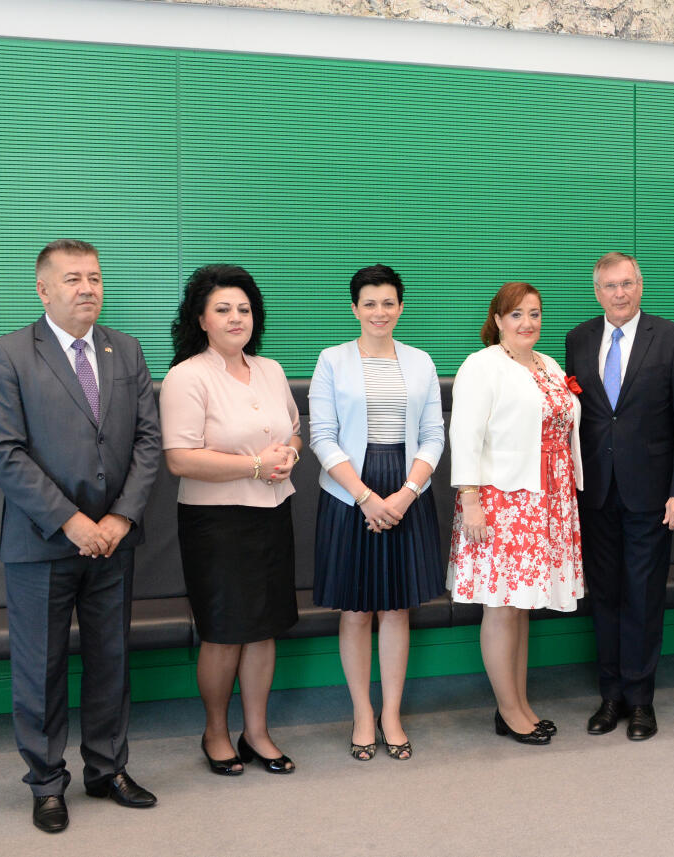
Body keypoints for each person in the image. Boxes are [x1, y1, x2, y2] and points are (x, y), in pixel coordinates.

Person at [0, 239, 161, 833]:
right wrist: (72, 521)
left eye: (96, 277)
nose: (88, 288)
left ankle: (108, 768)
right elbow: (5, 453)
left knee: (111, 659)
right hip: (42, 542)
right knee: (42, 667)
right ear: (43, 289)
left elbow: (147, 443)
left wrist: (119, 519)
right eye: (74, 278)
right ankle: (47, 782)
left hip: (113, 541)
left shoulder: (126, 350)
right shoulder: (6, 354)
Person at [160, 264, 302, 776]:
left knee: (262, 628)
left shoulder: (271, 369)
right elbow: (180, 458)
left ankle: (257, 732)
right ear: (201, 318)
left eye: (243, 309)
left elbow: (293, 432)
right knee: (223, 631)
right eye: (222, 309)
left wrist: (287, 454)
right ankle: (215, 732)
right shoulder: (186, 376)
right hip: (215, 522)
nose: (235, 317)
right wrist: (256, 465)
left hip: (272, 512)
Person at [309, 264, 445, 762]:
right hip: (350, 493)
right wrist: (366, 497)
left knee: (395, 609)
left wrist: (406, 493)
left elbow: (434, 436)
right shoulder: (331, 360)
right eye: (369, 303)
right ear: (354, 308)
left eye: (388, 302)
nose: (379, 312)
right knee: (356, 610)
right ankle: (362, 713)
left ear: (401, 307)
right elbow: (322, 437)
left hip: (408, 488)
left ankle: (391, 713)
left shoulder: (421, 362)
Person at [565, 251, 674, 741]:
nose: (619, 294)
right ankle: (610, 696)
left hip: (653, 494)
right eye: (609, 287)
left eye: (627, 284)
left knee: (642, 596)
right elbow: (574, 417)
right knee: (605, 596)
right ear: (597, 292)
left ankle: (641, 700)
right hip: (594, 492)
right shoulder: (578, 338)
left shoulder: (672, 337)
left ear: (640, 286)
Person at [447, 282, 583, 745]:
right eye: (517, 314)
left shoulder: (547, 364)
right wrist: (470, 502)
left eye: (535, 313)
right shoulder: (482, 365)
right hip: (503, 501)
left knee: (522, 608)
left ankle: (521, 704)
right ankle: (508, 711)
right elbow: (464, 436)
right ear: (499, 319)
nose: (528, 323)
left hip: (548, 500)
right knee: (502, 607)